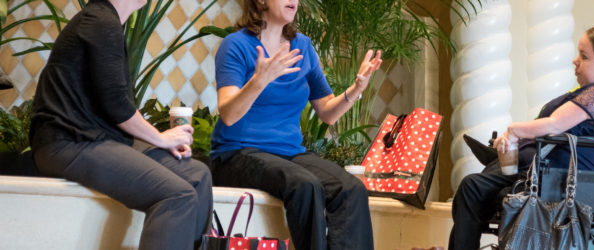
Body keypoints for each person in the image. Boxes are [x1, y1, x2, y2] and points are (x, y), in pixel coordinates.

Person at [29, 0, 213, 249]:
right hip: (68, 142)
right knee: (176, 195)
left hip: (95, 138)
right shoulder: (100, 21)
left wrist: (159, 140)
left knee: (197, 175)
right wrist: (162, 138)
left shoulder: (108, 22)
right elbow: (118, 107)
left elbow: (112, 105)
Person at [208, 0, 382, 249]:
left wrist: (356, 89)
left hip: (289, 153)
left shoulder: (303, 46)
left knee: (351, 188)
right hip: (237, 154)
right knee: (305, 184)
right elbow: (229, 114)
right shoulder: (236, 45)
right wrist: (260, 80)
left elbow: (327, 113)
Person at [448, 24, 594, 249]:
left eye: (584, 56)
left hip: (557, 179)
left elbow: (554, 124)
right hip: (543, 171)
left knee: (473, 187)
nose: (575, 60)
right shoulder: (589, 94)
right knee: (475, 188)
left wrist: (514, 130)